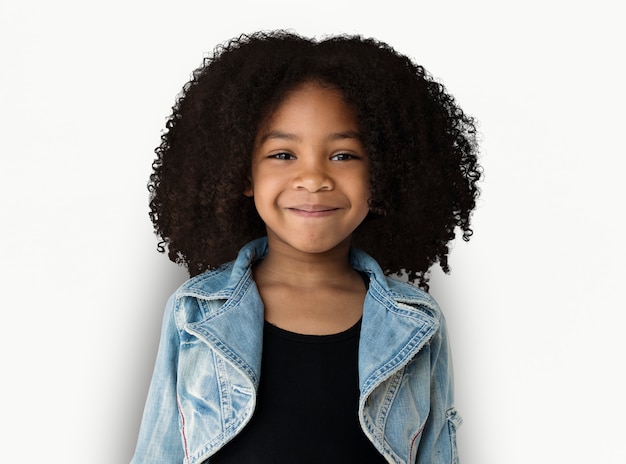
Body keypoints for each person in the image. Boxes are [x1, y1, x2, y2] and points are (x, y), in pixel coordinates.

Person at [131, 30, 481, 464]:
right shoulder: (194, 311)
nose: (314, 178)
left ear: (384, 172)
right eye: (283, 155)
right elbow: (158, 453)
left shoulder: (417, 323)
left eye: (343, 155)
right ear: (242, 173)